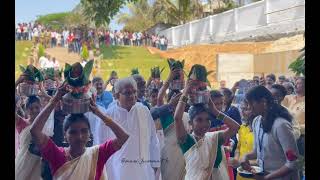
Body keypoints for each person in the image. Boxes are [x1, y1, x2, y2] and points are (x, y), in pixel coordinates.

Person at [30, 83, 129, 180]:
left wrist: (99, 113)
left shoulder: (98, 154)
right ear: (65, 135)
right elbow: (35, 131)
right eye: (73, 132)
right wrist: (54, 101)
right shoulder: (57, 155)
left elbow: (123, 137)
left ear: (90, 133)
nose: (79, 136)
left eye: (84, 131)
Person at [96, 77, 160, 180]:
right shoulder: (108, 116)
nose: (133, 96)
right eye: (127, 93)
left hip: (143, 171)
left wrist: (155, 165)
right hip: (117, 171)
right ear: (117, 95)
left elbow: (153, 139)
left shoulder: (144, 111)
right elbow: (100, 145)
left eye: (134, 92)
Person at [174, 79, 240, 180]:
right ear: (190, 123)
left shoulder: (214, 138)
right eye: (199, 120)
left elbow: (235, 127)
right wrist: (185, 92)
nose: (204, 124)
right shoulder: (187, 141)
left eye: (207, 120)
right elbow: (177, 118)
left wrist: (215, 111)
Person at [240, 86, 299, 180]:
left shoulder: (281, 125)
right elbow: (257, 152)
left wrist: (267, 177)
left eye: (251, 103)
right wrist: (245, 157)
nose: (249, 107)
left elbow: (293, 162)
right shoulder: (257, 121)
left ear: (263, 101)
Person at [15, 95, 44, 179]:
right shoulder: (22, 123)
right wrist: (19, 81)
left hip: (37, 163)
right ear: (27, 110)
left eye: (37, 107)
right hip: (23, 162)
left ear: (41, 108)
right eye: (31, 108)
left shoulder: (43, 123)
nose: (34, 110)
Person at [229, 100, 256, 180]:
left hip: (255, 172)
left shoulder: (261, 130)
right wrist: (236, 159)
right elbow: (238, 148)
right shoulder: (242, 128)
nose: (242, 112)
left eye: (246, 109)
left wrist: (241, 162)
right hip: (241, 173)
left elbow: (265, 159)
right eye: (241, 109)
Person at [282, 77, 305, 157]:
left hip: (301, 138)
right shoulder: (289, 98)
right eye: (295, 83)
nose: (295, 85)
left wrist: (295, 127)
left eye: (299, 83)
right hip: (285, 133)